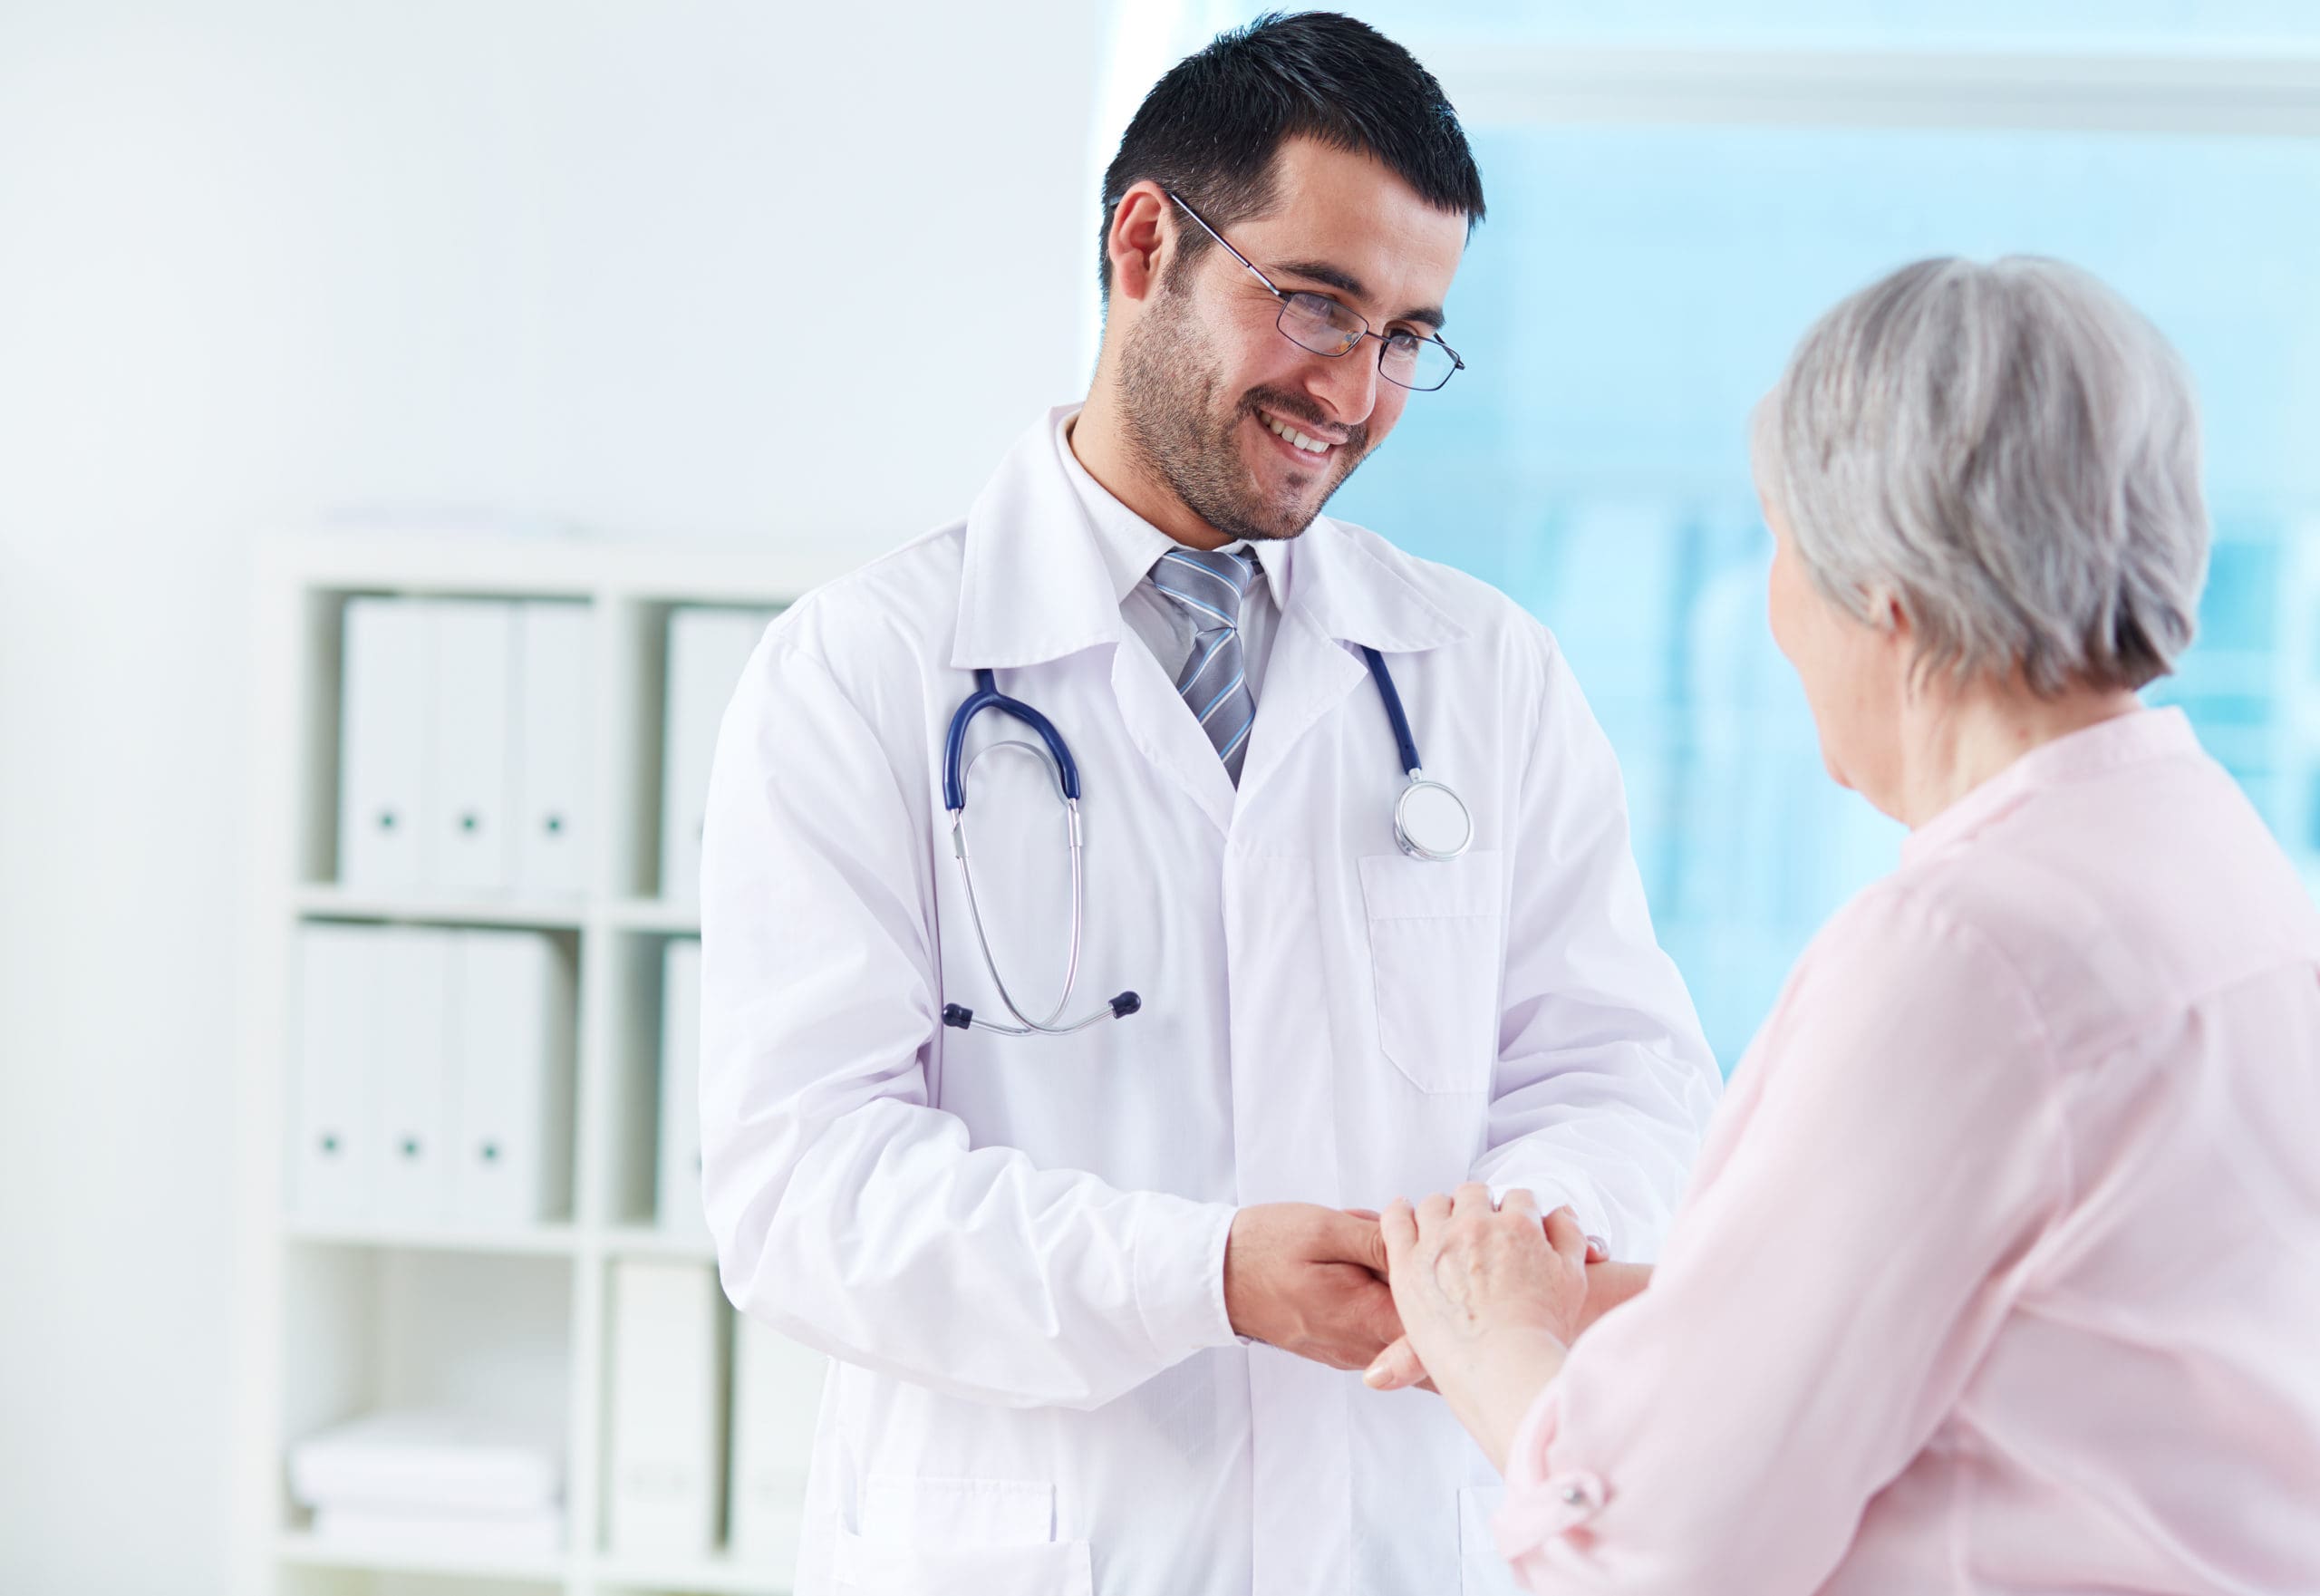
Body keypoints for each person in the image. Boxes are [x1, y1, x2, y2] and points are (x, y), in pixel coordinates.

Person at [696, 13, 1721, 1596]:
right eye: (1318, 302)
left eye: (1406, 336)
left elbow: (1626, 1073)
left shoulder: (1482, 671)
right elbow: (804, 1188)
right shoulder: (862, 673)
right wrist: (1204, 1276)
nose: (1355, 389)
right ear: (1144, 242)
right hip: (1039, 1543)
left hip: (1396, 1538)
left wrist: (1497, 1256)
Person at [1367, 256, 2320, 1593]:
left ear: (1887, 590)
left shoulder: (1965, 954)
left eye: (1779, 544)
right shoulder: (2212, 858)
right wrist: (1633, 1307)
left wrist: (1493, 1340)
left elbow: (1652, 1551)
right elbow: (2049, 1332)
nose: (1771, 610)